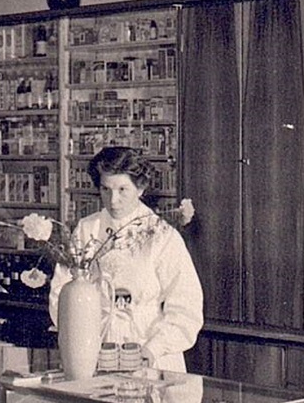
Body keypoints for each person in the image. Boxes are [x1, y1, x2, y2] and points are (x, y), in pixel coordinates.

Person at [49, 146, 203, 373]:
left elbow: (186, 307)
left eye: (123, 189)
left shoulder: (161, 234)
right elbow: (61, 293)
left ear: (140, 188)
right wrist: (81, 340)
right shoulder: (87, 229)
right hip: (95, 350)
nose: (114, 200)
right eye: (106, 189)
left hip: (149, 353)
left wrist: (152, 349)